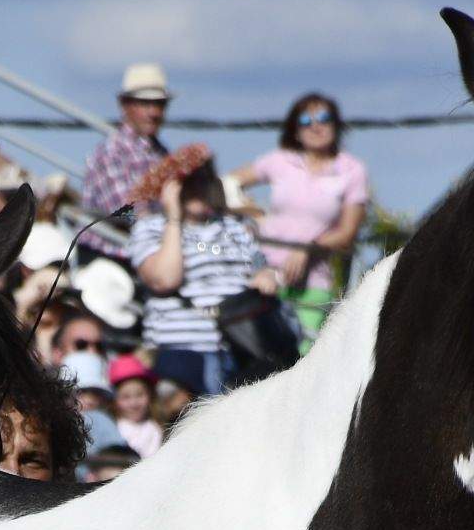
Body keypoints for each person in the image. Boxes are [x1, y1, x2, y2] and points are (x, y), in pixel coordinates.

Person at [128, 152, 265, 398]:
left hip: (236, 349)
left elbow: (261, 269)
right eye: (189, 182)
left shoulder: (234, 228)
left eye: (205, 180)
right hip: (179, 353)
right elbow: (164, 279)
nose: (199, 188)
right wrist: (174, 218)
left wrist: (265, 277)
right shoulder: (150, 228)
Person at [233, 92, 369, 299]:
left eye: (324, 118)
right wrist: (250, 212)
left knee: (309, 331)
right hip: (264, 275)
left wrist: (308, 248)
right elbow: (226, 184)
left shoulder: (351, 169)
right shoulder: (280, 161)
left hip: (314, 283)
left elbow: (347, 233)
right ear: (295, 131)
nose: (316, 126)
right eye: (305, 121)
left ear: (335, 125)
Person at [81, 60, 168, 215]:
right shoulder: (110, 154)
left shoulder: (161, 153)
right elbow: (127, 215)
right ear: (125, 105)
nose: (154, 112)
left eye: (159, 104)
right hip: (116, 239)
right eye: (145, 103)